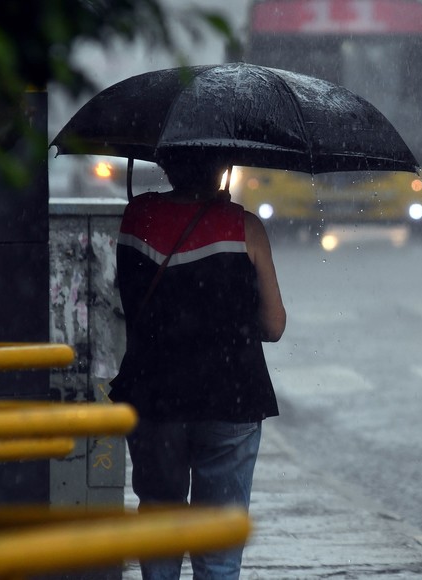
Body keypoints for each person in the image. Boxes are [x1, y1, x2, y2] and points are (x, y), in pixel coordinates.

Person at [110, 153, 287, 580]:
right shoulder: (244, 228)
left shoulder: (138, 219)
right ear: (224, 170)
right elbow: (274, 325)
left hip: (154, 397)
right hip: (232, 396)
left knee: (160, 529)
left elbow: (130, 304)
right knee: (219, 552)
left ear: (166, 165)